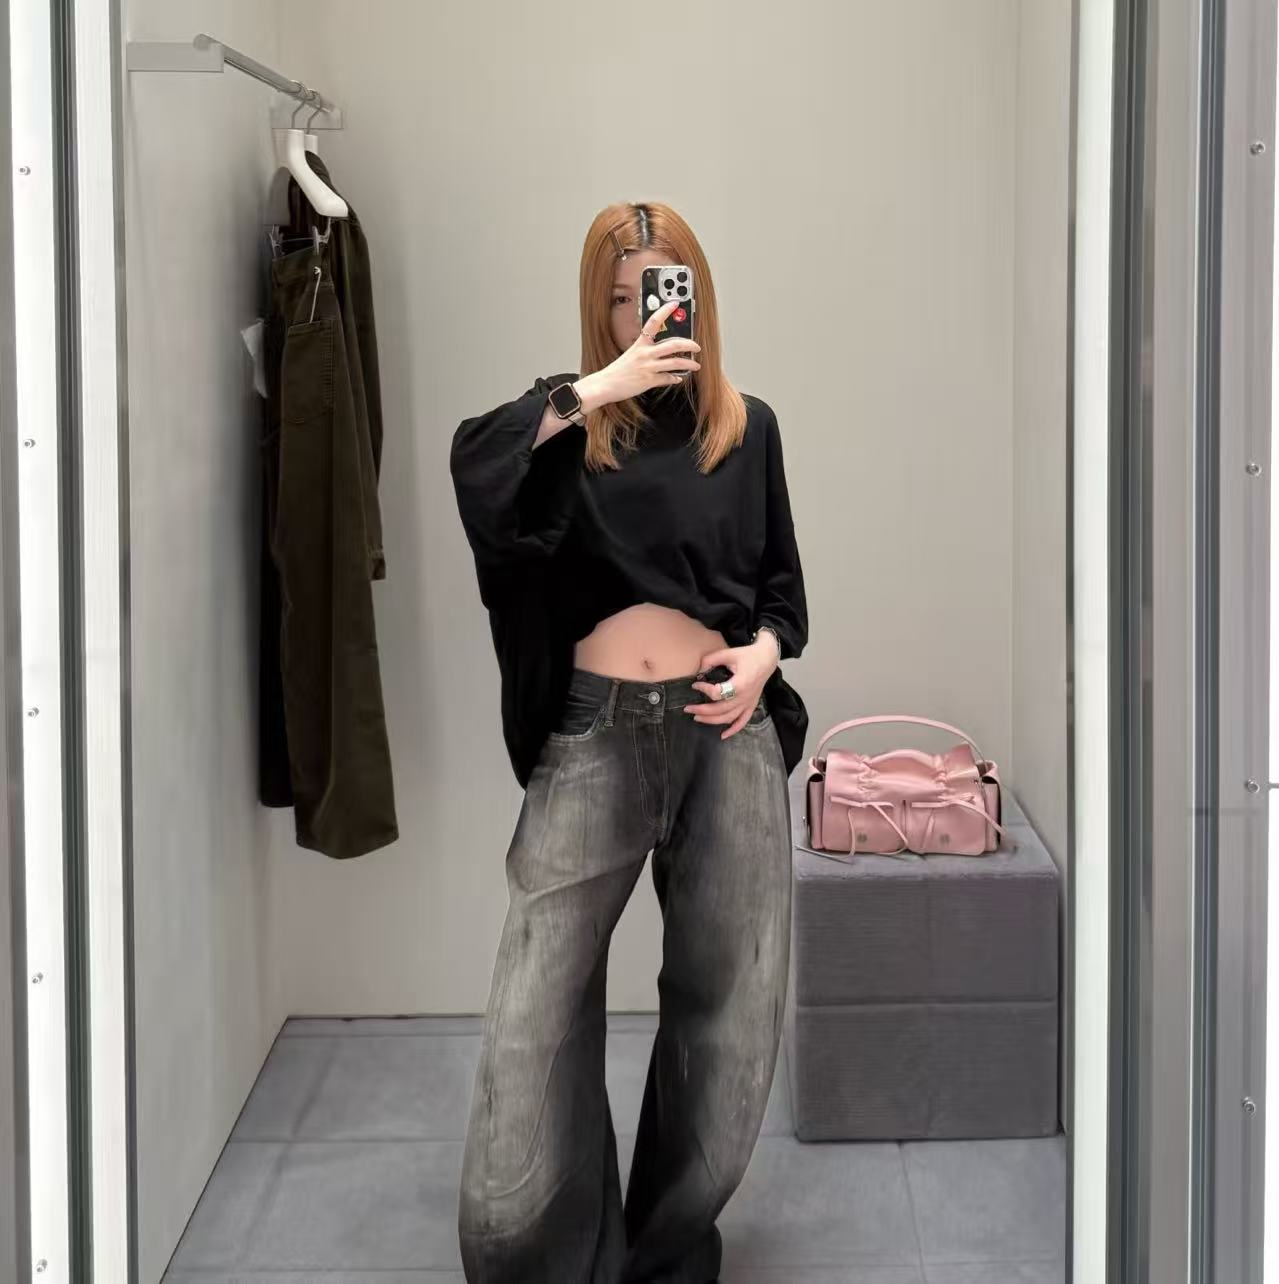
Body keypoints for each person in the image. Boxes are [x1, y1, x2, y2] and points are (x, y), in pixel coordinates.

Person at [449, 200, 809, 1284]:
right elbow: (477, 470)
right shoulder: (567, 426)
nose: (640, 313)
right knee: (534, 1020)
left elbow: (780, 593)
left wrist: (764, 656)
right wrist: (591, 389)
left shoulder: (746, 428)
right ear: (595, 308)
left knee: (732, 1014)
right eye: (617, 297)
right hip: (596, 735)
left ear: (697, 293)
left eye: (659, 288)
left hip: (724, 731)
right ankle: (550, 1263)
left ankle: (663, 1255)